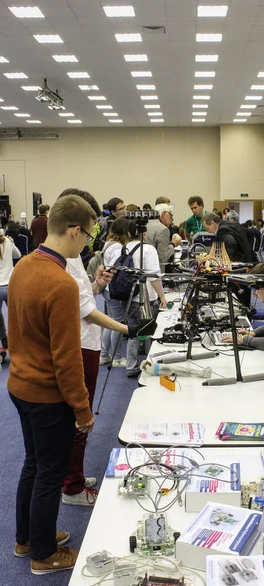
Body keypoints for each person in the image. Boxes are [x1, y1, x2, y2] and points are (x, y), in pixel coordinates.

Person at [8, 194, 95, 575]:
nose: (86, 244)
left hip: (19, 385)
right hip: (47, 394)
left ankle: (27, 537)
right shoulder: (61, 284)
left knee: (33, 465)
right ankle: (43, 555)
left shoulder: (24, 266)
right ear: (75, 231)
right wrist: (82, 409)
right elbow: (66, 359)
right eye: (88, 237)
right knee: (50, 474)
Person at [57, 189, 131, 507]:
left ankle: (72, 474)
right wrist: (128, 328)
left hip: (85, 342)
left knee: (78, 418)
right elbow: (86, 311)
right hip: (81, 345)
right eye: (90, 229)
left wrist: (97, 282)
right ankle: (71, 486)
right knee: (81, 418)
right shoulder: (66, 260)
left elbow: (84, 296)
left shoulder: (72, 259)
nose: (92, 236)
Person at [101, 217, 167, 378]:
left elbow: (110, 271)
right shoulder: (149, 250)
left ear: (129, 233)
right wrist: (163, 297)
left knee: (132, 329)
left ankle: (132, 364)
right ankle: (146, 362)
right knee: (148, 328)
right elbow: (154, 277)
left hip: (127, 295)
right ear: (144, 233)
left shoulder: (121, 249)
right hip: (146, 297)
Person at [0, 231, 21, 354]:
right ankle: (19, 341)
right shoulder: (8, 241)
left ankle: (4, 339)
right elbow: (18, 254)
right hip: (10, 284)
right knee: (16, 315)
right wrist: (11, 243)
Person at [145, 203, 181, 272]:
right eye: (171, 216)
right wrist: (173, 244)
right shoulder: (163, 230)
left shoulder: (146, 224)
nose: (171, 220)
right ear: (164, 214)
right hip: (155, 271)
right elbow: (163, 258)